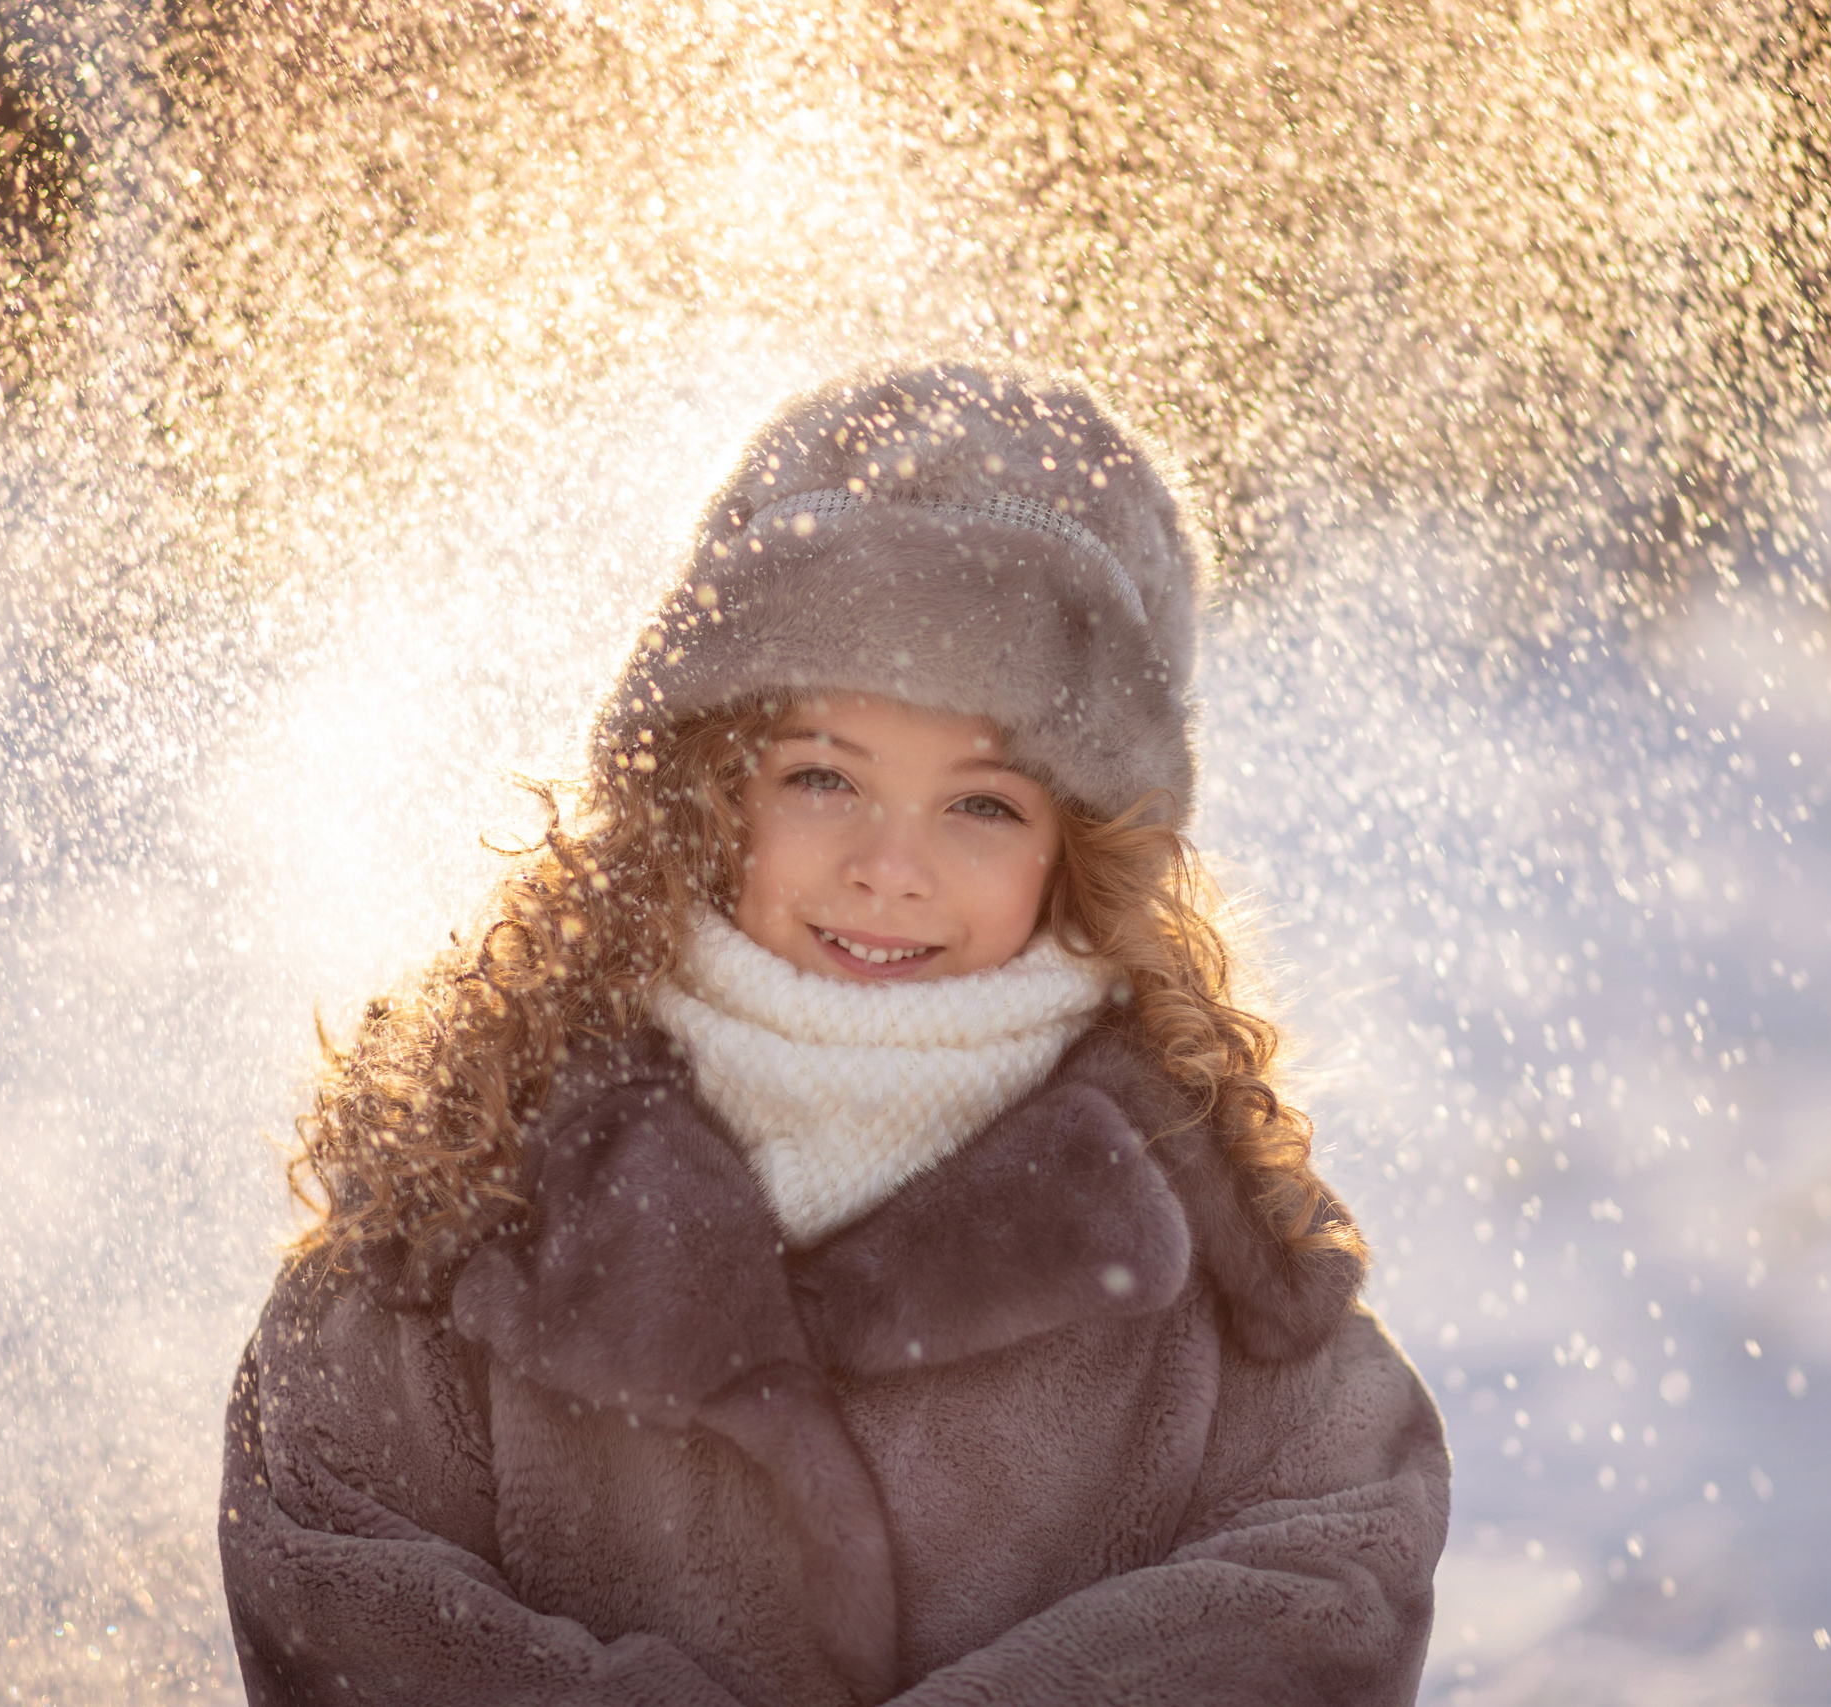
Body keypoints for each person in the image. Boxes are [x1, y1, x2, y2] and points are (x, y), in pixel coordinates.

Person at [218, 363, 1450, 1705]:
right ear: (710, 787)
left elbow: (1326, 1562)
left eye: (981, 806)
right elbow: (334, 1551)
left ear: (1080, 848)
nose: (888, 865)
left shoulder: (1199, 1227)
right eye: (823, 778)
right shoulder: (483, 1163)